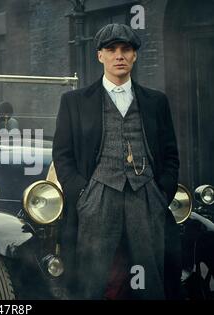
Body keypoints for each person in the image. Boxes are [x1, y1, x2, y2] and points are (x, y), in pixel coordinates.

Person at [52, 24, 181, 299]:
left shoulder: (156, 101)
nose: (118, 56)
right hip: (97, 197)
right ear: (100, 56)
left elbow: (170, 153)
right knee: (92, 280)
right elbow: (62, 154)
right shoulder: (74, 101)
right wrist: (82, 195)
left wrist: (161, 193)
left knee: (150, 279)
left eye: (126, 49)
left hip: (146, 196)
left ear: (134, 56)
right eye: (111, 50)